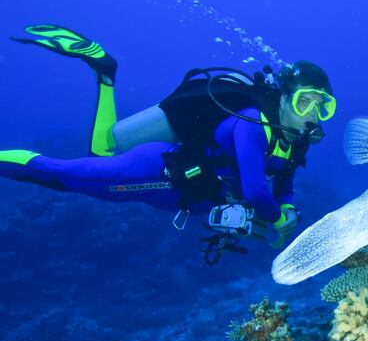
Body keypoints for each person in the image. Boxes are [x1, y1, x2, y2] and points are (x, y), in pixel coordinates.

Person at [0, 24, 336, 261]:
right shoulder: (252, 123)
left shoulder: (297, 141)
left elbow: (284, 184)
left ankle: (105, 72)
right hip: (160, 170)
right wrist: (278, 221)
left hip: (181, 193)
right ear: (283, 97)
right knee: (63, 175)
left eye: (323, 106)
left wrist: (288, 208)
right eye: (304, 101)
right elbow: (256, 191)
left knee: (100, 151)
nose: (313, 114)